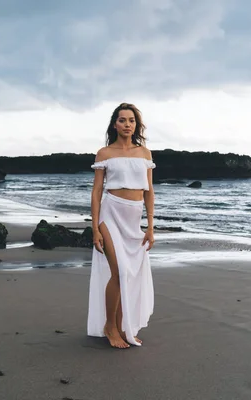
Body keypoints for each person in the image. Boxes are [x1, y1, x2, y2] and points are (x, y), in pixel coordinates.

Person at [87, 102, 156, 349]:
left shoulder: (144, 154)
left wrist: (150, 227)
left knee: (130, 274)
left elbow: (149, 192)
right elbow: (96, 192)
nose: (127, 125)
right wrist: (95, 228)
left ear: (136, 125)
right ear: (114, 124)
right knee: (120, 272)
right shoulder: (104, 153)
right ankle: (109, 326)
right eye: (122, 120)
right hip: (110, 213)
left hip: (134, 219)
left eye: (131, 120)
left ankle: (123, 327)